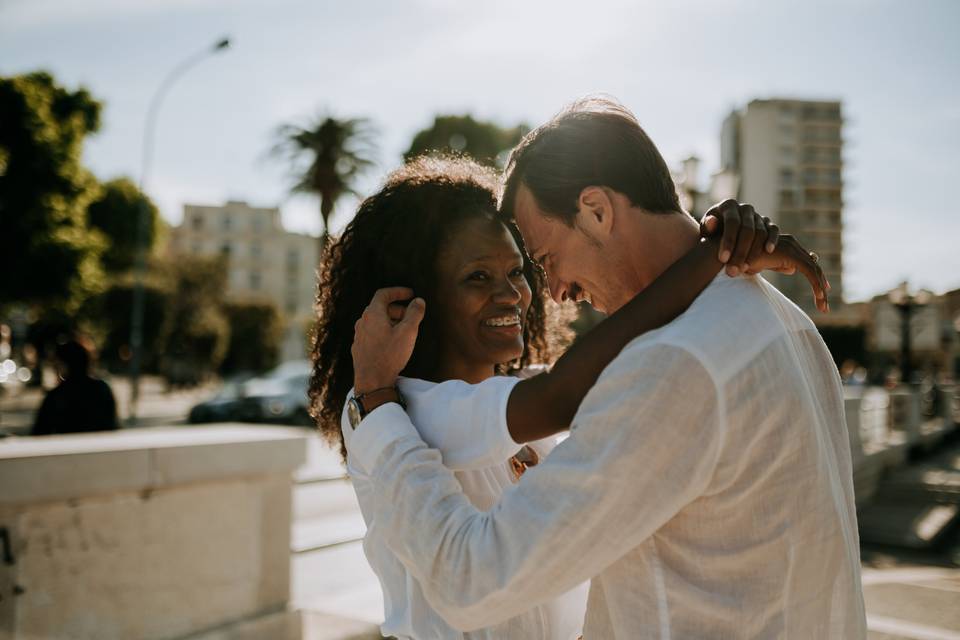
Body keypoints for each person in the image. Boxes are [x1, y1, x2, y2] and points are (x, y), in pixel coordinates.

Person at [346, 98, 866, 638]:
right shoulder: (788, 322)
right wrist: (708, 250)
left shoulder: (673, 365)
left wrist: (376, 408)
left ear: (596, 209)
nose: (556, 292)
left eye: (544, 261)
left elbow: (473, 578)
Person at [32, 339, 119, 436]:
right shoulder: (102, 389)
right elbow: (112, 426)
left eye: (57, 365)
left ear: (64, 366)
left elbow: (39, 433)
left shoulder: (56, 397)